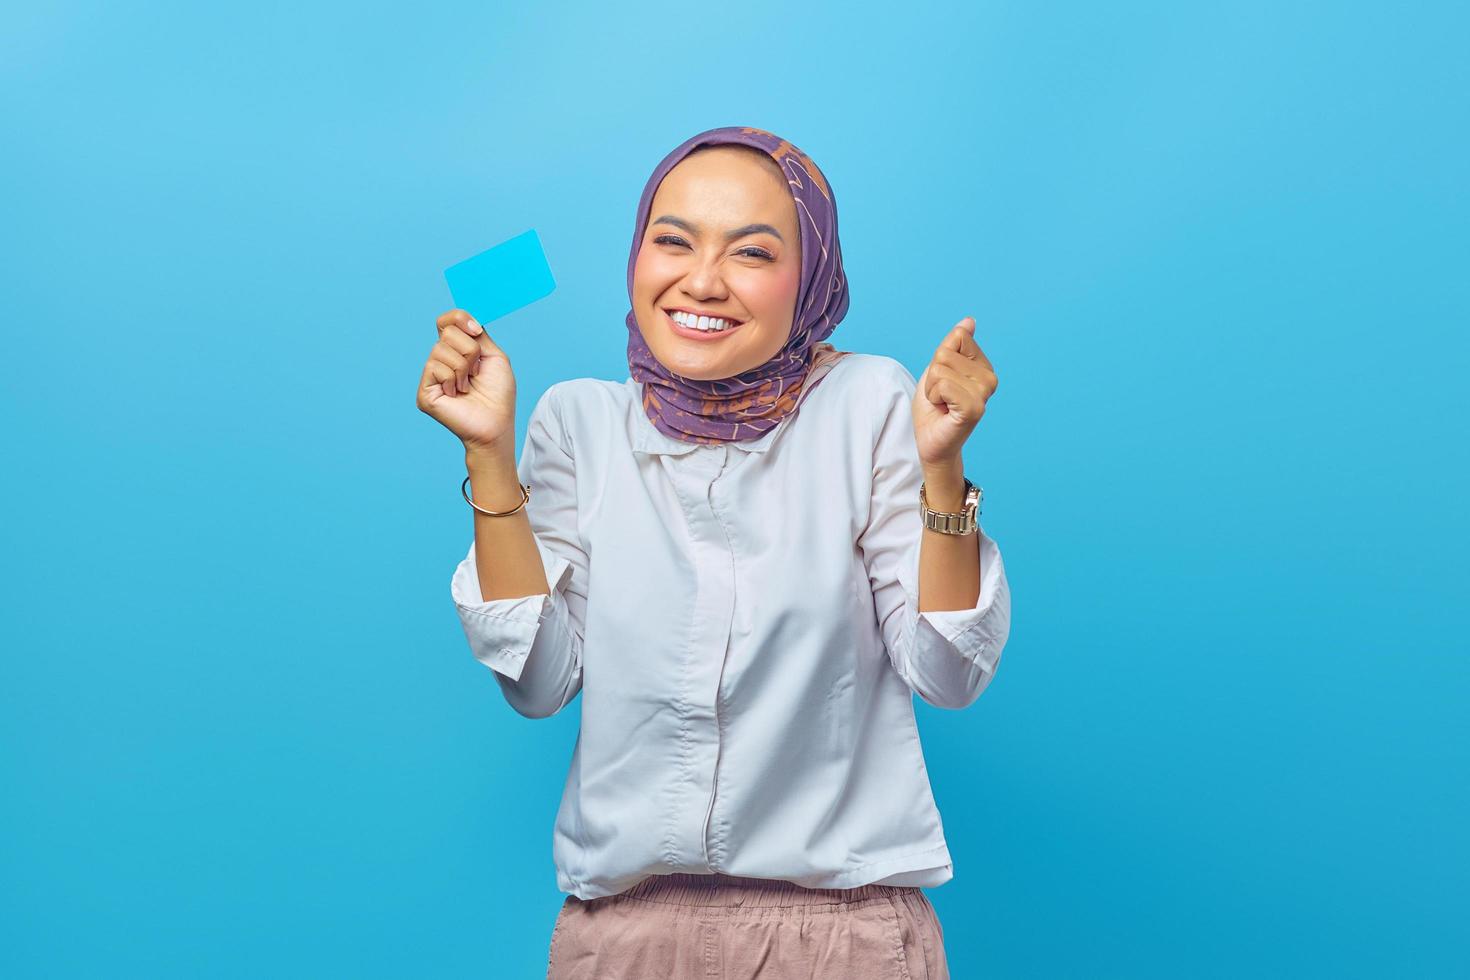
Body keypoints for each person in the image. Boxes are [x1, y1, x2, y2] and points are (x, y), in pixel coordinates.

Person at [416, 126, 1010, 979]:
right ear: (636, 254)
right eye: (673, 241)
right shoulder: (577, 424)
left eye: (753, 252)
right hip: (621, 942)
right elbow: (539, 683)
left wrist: (944, 469)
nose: (701, 281)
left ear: (811, 281)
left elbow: (949, 675)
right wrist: (487, 454)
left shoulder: (870, 405)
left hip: (840, 939)